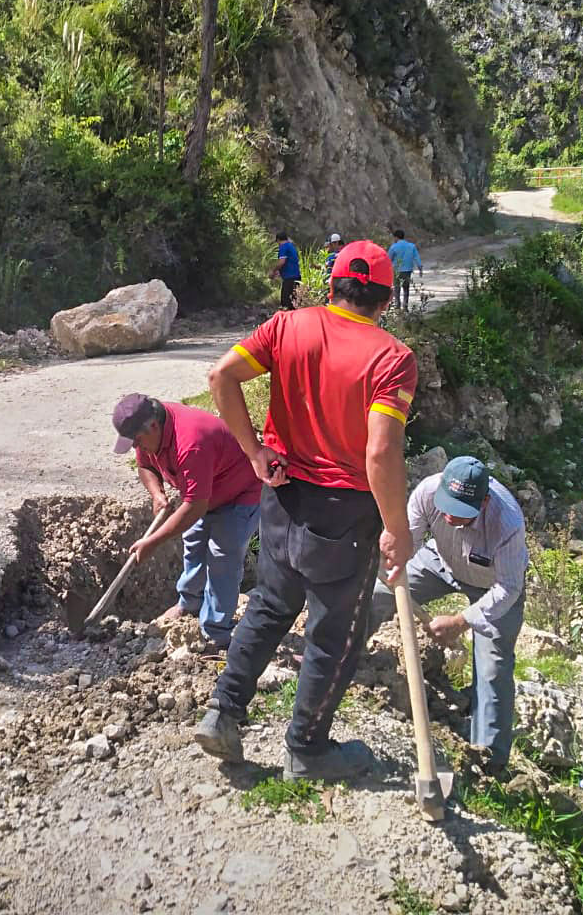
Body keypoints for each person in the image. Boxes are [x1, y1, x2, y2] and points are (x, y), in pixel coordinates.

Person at [193, 241, 417, 781]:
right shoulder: (393, 358)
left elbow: (221, 377)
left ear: (331, 286)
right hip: (346, 512)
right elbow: (381, 452)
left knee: (271, 603)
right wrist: (397, 529)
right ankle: (307, 748)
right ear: (385, 300)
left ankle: (223, 713)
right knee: (334, 630)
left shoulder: (286, 326)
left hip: (282, 493)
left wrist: (254, 452)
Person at [370, 456, 527, 772]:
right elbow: (407, 544)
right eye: (447, 506)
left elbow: (508, 588)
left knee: (493, 667)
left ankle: (489, 763)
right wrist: (388, 562)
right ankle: (346, 662)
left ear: (483, 501)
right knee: (376, 595)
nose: (451, 516)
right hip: (438, 563)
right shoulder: (428, 492)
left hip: (492, 584)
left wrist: (460, 622)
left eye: (462, 512)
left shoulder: (506, 522)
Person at [111, 394, 262, 650]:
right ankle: (189, 602)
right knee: (193, 543)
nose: (137, 447)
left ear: (154, 427)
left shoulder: (191, 442)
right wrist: (157, 493)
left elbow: (194, 507)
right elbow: (145, 466)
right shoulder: (151, 430)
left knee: (221, 558)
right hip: (204, 492)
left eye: (137, 441)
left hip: (239, 494)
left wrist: (153, 542)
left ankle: (215, 632)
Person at [387, 229, 423, 311]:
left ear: (396, 237)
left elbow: (388, 259)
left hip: (396, 271)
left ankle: (397, 305)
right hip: (407, 271)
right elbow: (417, 258)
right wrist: (420, 268)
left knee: (397, 288)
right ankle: (405, 306)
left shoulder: (394, 247)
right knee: (406, 288)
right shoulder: (411, 246)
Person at [271, 231, 302, 311]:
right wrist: (280, 271)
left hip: (289, 279)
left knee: (286, 304)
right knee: (294, 304)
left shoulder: (283, 247)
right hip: (297, 277)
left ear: (278, 240)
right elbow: (290, 262)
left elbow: (282, 262)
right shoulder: (291, 246)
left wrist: (273, 271)